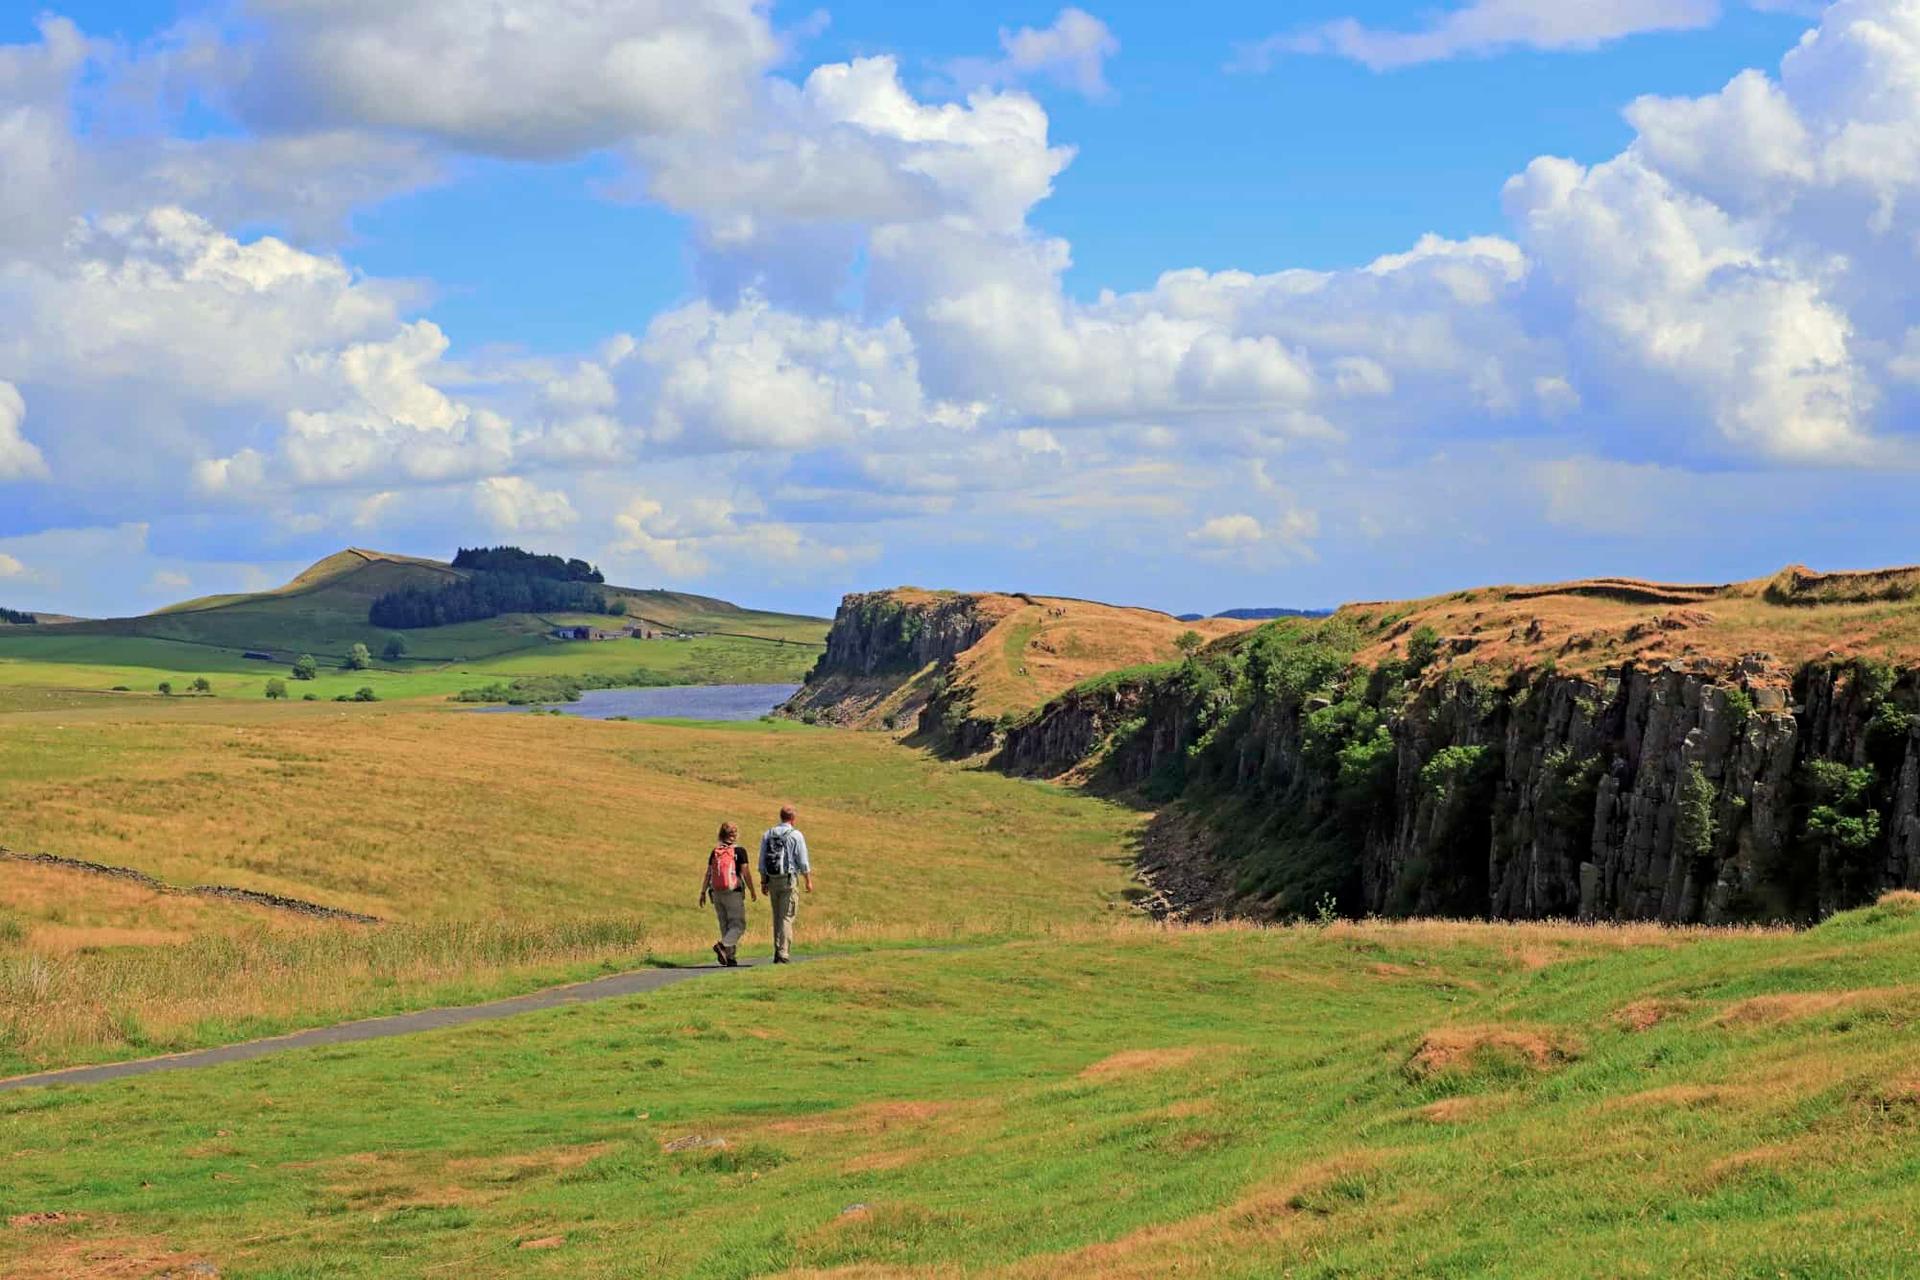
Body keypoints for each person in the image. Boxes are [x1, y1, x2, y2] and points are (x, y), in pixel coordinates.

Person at [758, 804, 814, 964]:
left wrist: (763, 881)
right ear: (793, 819)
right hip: (788, 879)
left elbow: (762, 861)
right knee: (787, 916)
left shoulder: (768, 834)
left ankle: (777, 950)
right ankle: (783, 953)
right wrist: (808, 880)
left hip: (772, 879)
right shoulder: (796, 835)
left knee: (777, 916)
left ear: (780, 816)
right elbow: (802, 861)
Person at [698, 821, 756, 967]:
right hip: (733, 892)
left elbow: (709, 873)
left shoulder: (715, 851)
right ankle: (723, 946)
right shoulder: (739, 851)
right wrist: (752, 889)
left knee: (725, 925)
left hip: (716, 892)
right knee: (738, 925)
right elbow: (745, 872)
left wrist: (703, 892)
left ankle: (730, 957)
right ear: (734, 835)